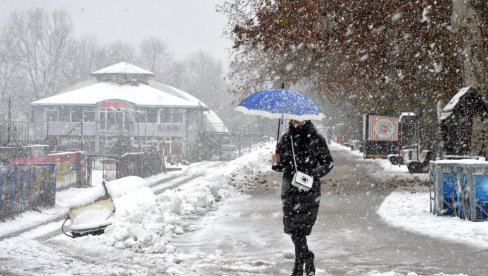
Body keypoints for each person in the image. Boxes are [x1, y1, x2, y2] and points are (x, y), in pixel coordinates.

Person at [272, 119, 334, 276]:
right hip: (289, 189)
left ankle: (298, 266)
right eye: (293, 119)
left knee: (300, 229)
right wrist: (277, 162)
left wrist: (313, 174)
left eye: (299, 119)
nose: (296, 122)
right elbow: (281, 167)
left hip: (308, 189)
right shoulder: (286, 139)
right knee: (293, 230)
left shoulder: (317, 139)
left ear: (306, 119)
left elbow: (328, 163)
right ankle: (308, 256)